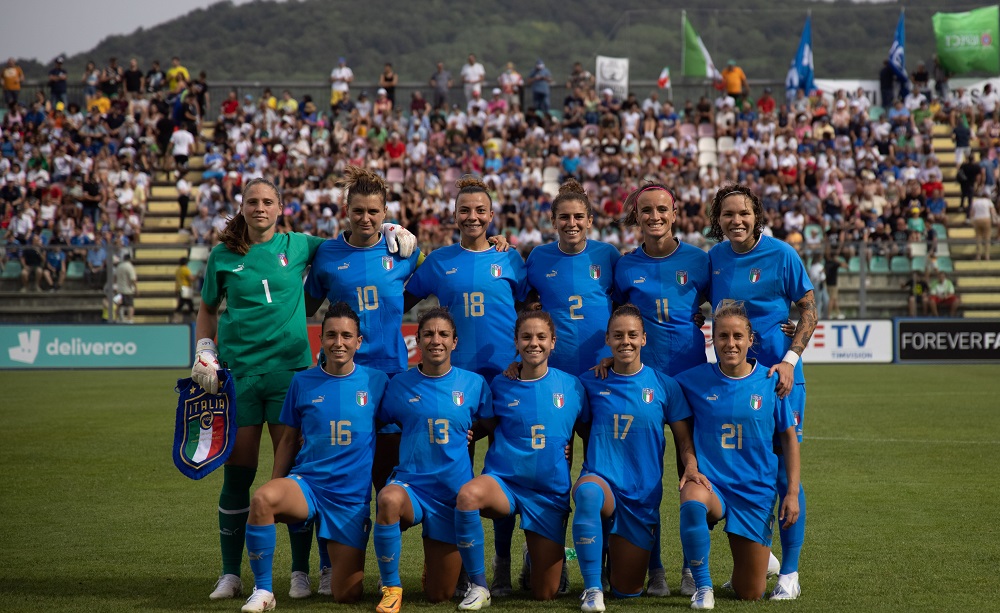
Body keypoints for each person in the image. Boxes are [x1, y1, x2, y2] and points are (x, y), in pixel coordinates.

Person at [193, 178, 415, 602]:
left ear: (281, 207)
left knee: (310, 472)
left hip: (301, 374)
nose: (260, 208)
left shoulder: (304, 245)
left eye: (267, 202)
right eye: (252, 202)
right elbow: (208, 310)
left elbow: (362, 241)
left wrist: (397, 230)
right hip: (243, 374)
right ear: (242, 207)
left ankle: (303, 571)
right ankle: (230, 573)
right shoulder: (227, 255)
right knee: (243, 475)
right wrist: (205, 348)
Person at [240, 302, 389, 612]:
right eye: (331, 335)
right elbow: (289, 440)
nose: (339, 343)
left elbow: (409, 418)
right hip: (308, 486)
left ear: (358, 342)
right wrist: (276, 483)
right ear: (320, 339)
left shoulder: (377, 382)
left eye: (347, 336)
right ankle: (264, 591)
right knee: (262, 500)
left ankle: (331, 565)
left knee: (346, 595)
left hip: (349, 498)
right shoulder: (302, 382)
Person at [706, 183, 816, 600]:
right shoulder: (713, 258)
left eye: (744, 213)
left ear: (758, 216)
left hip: (779, 378)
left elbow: (809, 308)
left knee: (783, 471)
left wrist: (789, 357)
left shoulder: (782, 254)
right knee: (740, 470)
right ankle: (757, 559)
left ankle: (789, 573)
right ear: (718, 219)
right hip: (734, 378)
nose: (737, 220)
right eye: (728, 214)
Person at [607, 182, 710, 597]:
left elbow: (725, 307)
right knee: (644, 481)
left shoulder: (701, 261)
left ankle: (691, 568)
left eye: (662, 209)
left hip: (691, 381)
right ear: (636, 217)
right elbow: (615, 317)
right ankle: (656, 570)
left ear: (674, 212)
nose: (654, 217)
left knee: (692, 474)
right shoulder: (624, 266)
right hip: (641, 384)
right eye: (646, 210)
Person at [453, 306, 586, 609]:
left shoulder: (573, 386)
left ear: (553, 341)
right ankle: (485, 578)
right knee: (468, 496)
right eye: (526, 337)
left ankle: (535, 555)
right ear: (516, 343)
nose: (533, 343)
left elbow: (587, 427)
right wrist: (468, 432)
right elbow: (486, 423)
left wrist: (566, 450)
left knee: (546, 593)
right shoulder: (500, 383)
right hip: (505, 483)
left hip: (547, 493)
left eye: (541, 337)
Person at [303, 166, 421, 504]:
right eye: (358, 210)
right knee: (341, 480)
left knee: (387, 483)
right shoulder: (327, 254)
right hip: (339, 376)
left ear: (385, 213)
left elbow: (439, 273)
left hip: (390, 375)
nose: (365, 218)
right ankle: (332, 556)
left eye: (373, 211)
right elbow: (305, 309)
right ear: (346, 211)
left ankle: (386, 554)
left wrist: (497, 243)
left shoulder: (404, 249)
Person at [573, 304, 701, 613]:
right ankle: (592, 590)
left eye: (632, 335)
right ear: (607, 339)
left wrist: (692, 466)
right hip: (601, 481)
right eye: (618, 335)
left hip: (641, 498)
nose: (625, 341)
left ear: (644, 338)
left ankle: (619, 568)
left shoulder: (665, 385)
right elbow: (566, 417)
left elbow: (684, 441)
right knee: (587, 493)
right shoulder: (589, 381)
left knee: (627, 592)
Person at [674, 301, 801, 610]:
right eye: (723, 337)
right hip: (711, 485)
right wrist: (612, 361)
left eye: (737, 337)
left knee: (750, 593)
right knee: (691, 498)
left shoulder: (770, 382)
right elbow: (646, 382)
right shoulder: (691, 380)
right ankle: (702, 587)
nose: (730, 344)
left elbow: (789, 439)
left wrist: (793, 492)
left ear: (750, 339)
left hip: (754, 492)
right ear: (713, 339)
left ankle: (756, 563)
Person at [372, 308, 493, 613]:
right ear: (418, 339)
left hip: (451, 495)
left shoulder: (474, 384)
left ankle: (437, 569)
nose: (435, 340)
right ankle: (390, 587)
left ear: (455, 342)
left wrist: (471, 432)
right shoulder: (399, 385)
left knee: (439, 594)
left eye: (443, 335)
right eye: (428, 334)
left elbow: (492, 426)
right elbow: (376, 425)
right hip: (411, 487)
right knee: (387, 498)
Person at [405, 176, 526, 383]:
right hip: (456, 372)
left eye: (480, 210)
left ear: (491, 215)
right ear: (454, 215)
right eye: (464, 210)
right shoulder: (438, 260)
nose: (472, 217)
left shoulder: (509, 257)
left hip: (508, 371)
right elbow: (401, 303)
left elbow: (529, 307)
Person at [970, 187, 994, 261]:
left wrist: (972, 221)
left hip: (977, 219)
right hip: (986, 219)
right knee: (987, 238)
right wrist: (994, 219)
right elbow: (992, 212)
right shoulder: (988, 201)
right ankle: (987, 256)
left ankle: (978, 256)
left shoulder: (975, 202)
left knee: (978, 238)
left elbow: (972, 213)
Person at [114, 252, 137, 323]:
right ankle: (129, 320)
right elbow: (133, 279)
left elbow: (115, 277)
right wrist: (136, 288)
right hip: (128, 290)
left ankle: (117, 319)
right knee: (130, 305)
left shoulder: (119, 266)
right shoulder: (129, 267)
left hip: (119, 289)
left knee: (119, 305)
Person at [174, 256, 195, 321]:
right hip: (185, 289)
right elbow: (191, 279)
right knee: (186, 303)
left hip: (179, 289)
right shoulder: (185, 269)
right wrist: (197, 275)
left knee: (186, 303)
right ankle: (193, 318)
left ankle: (177, 316)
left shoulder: (178, 270)